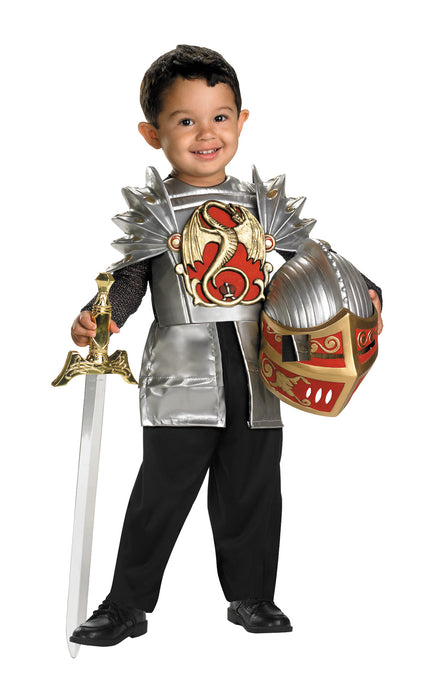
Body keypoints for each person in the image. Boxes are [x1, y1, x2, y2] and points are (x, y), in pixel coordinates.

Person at [69, 45, 383, 647]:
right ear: (152, 134)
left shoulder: (262, 207)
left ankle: (252, 595)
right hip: (181, 373)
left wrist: (363, 290)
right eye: (185, 120)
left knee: (253, 486)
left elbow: (315, 264)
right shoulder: (157, 213)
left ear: (241, 121)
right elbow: (128, 283)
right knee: (162, 491)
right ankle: (126, 605)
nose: (206, 133)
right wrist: (98, 317)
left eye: (219, 117)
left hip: (261, 369)